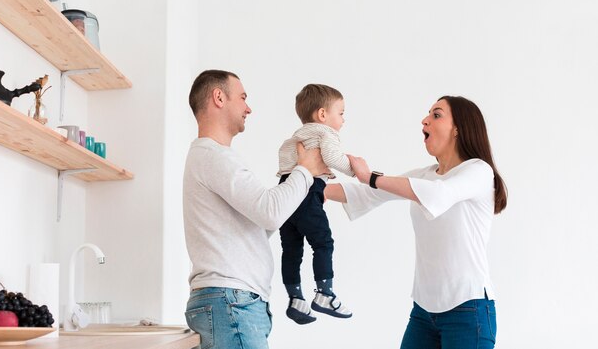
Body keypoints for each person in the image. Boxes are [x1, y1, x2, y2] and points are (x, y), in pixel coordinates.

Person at [325, 95, 507, 349]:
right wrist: (314, 190)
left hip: (469, 309)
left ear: (458, 129)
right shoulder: (424, 176)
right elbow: (367, 194)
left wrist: (371, 176)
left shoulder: (478, 171)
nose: (425, 120)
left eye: (436, 115)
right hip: (424, 312)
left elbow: (439, 194)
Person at [183, 70, 328, 349]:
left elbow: (261, 222)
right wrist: (305, 170)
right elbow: (269, 211)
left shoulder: (210, 158)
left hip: (232, 302)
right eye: (243, 97)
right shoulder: (213, 156)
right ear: (219, 97)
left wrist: (302, 194)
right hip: (231, 303)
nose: (248, 107)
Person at [276, 84, 354, 324]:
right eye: (340, 113)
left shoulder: (294, 138)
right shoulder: (325, 133)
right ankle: (324, 293)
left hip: (286, 194)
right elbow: (331, 157)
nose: (343, 119)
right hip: (307, 195)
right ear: (322, 115)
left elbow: (285, 164)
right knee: (323, 243)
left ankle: (295, 299)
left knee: (291, 250)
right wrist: (355, 169)